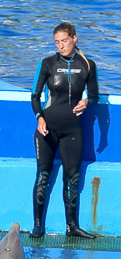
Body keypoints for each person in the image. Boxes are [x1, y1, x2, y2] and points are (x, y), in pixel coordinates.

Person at [30, 21, 98, 239]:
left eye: (64, 41)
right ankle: (38, 225)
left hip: (72, 131)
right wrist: (40, 118)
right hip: (47, 129)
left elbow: (94, 94)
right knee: (43, 175)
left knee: (72, 178)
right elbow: (34, 95)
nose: (61, 46)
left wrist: (87, 101)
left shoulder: (88, 65)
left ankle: (72, 227)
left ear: (74, 38)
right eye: (57, 42)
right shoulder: (47, 63)